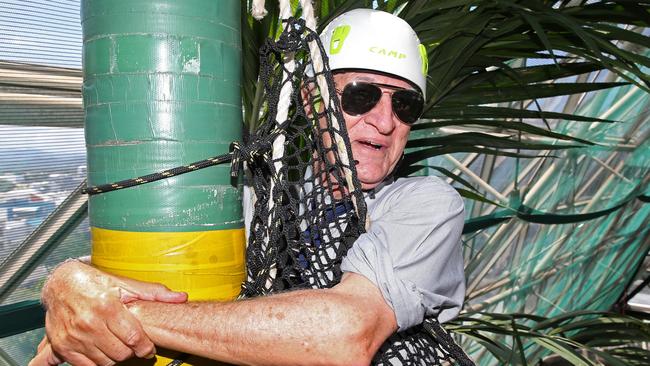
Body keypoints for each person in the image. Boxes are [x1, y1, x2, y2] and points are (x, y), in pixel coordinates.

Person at [30, 9, 466, 366]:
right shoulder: (266, 199)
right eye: (361, 95)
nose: (386, 121)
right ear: (315, 102)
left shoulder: (424, 206)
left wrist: (121, 317)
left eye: (404, 104)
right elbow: (157, 258)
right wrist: (67, 284)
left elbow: (344, 335)